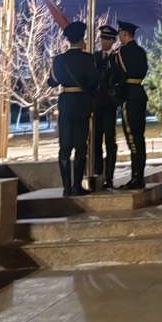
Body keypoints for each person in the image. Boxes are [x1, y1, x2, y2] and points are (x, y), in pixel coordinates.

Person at [49, 20, 100, 197]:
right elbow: (94, 81)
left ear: (68, 40)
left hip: (65, 103)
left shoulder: (59, 60)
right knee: (80, 146)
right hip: (82, 103)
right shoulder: (89, 59)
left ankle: (66, 188)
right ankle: (77, 186)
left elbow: (52, 82)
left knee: (64, 147)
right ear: (82, 39)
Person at [115, 20, 150, 190]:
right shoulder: (141, 51)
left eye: (120, 35)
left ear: (125, 34)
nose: (119, 38)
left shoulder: (121, 52)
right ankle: (139, 176)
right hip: (140, 94)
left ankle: (136, 178)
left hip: (128, 96)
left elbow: (119, 76)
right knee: (139, 138)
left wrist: (117, 95)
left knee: (132, 139)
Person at [92, 24, 120, 189]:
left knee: (110, 142)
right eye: (103, 38)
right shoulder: (94, 57)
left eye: (108, 39)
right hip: (95, 105)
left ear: (113, 41)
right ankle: (98, 172)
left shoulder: (116, 58)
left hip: (109, 106)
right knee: (95, 141)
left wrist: (116, 98)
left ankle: (109, 177)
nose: (104, 42)